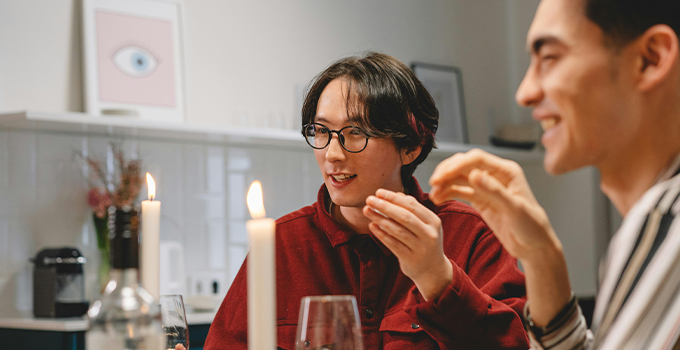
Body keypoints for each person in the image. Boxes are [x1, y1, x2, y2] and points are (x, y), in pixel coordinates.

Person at [204, 53, 529, 349]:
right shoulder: (280, 244)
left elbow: (515, 343)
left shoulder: (467, 234)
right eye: (321, 131)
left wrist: (437, 277)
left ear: (410, 146)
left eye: (355, 133)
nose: (332, 154)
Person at [428, 0, 680, 349]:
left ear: (650, 59)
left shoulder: (666, 217)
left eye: (549, 58)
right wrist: (540, 255)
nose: (525, 93)